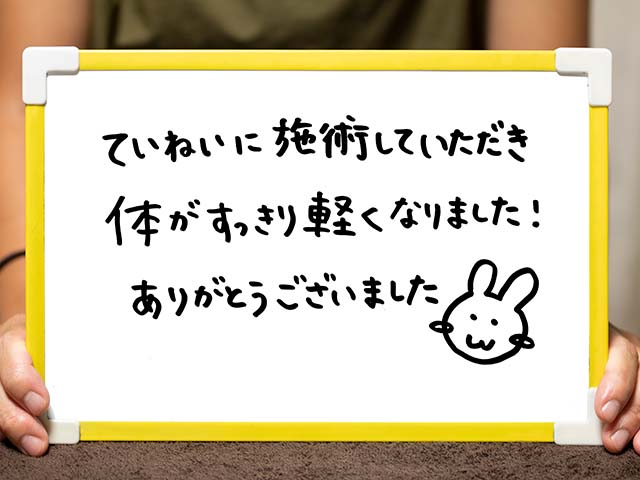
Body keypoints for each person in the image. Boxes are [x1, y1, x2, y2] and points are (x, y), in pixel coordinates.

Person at [1, 0, 637, 457]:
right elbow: (20, 99)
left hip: (421, 282)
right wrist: (30, 334)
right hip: (144, 280)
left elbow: (547, 103)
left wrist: (568, 348)